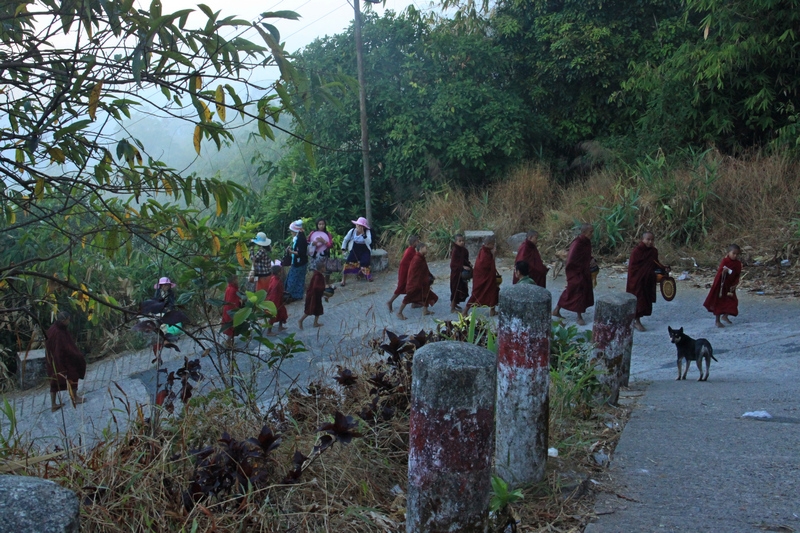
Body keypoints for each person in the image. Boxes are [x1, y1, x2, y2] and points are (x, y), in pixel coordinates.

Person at [553, 223, 595, 325]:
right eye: (590, 232)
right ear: (584, 232)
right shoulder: (577, 243)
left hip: (584, 271)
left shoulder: (586, 242)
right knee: (574, 291)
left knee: (578, 292)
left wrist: (592, 260)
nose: (592, 234)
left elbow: (586, 256)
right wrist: (576, 271)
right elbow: (571, 259)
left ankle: (556, 310)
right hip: (575, 272)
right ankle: (578, 317)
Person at [45, 311, 87, 411]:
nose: (69, 321)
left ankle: (53, 404)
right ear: (64, 320)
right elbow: (65, 348)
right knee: (73, 374)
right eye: (68, 319)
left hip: (52, 359)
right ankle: (75, 397)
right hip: (62, 359)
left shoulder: (52, 329)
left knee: (54, 380)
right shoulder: (59, 332)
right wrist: (77, 355)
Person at [626, 232, 661, 332]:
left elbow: (655, 264)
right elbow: (632, 268)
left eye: (652, 240)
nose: (650, 242)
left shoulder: (654, 251)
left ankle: (635, 320)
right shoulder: (636, 251)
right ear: (642, 240)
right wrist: (643, 274)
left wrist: (663, 269)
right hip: (637, 280)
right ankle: (636, 321)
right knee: (638, 300)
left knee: (645, 300)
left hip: (647, 280)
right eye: (648, 239)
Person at [703, 244, 743, 328]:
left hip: (730, 286)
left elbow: (737, 275)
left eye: (737, 254)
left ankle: (725, 316)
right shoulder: (725, 261)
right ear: (728, 253)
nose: (735, 256)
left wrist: (735, 284)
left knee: (733, 302)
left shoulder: (738, 264)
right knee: (719, 303)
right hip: (721, 286)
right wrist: (723, 271)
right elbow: (720, 272)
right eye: (733, 253)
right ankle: (717, 321)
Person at [397, 242, 438, 319]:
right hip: (415, 283)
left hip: (422, 282)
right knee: (408, 298)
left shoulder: (422, 258)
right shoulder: (417, 259)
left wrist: (430, 276)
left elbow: (425, 269)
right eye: (426, 248)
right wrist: (423, 280)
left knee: (427, 295)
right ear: (421, 248)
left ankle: (425, 310)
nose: (427, 250)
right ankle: (399, 313)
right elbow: (413, 273)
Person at [466, 235, 500, 316]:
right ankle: (465, 311)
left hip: (489, 277)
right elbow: (487, 265)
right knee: (476, 294)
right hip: (482, 278)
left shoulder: (485, 250)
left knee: (494, 291)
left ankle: (492, 310)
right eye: (492, 244)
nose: (494, 246)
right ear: (488, 244)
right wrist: (494, 255)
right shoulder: (485, 253)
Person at [387, 234, 420, 312]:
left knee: (412, 287)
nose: (418, 243)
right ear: (414, 242)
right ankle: (390, 301)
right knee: (401, 287)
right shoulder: (410, 251)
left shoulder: (409, 249)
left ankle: (414, 303)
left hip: (406, 271)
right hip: (405, 272)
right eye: (417, 241)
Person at [341, 216, 373, 285]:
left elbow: (369, 242)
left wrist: (363, 234)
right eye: (358, 225)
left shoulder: (367, 232)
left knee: (365, 262)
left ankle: (368, 276)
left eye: (361, 226)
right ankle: (343, 280)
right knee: (348, 262)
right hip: (355, 249)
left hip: (365, 249)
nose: (358, 227)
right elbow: (345, 240)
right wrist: (343, 249)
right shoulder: (352, 231)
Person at [299, 260, 327, 329]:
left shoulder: (318, 275)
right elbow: (315, 287)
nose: (325, 269)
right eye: (324, 267)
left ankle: (315, 323)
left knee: (318, 309)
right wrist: (323, 288)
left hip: (317, 296)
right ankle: (300, 320)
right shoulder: (317, 276)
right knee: (309, 309)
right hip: (313, 296)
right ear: (322, 268)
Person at [285, 219, 308, 301]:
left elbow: (300, 252)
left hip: (299, 262)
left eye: (292, 231)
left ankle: (290, 295)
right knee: (299, 279)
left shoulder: (300, 239)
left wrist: (291, 252)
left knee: (293, 279)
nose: (291, 233)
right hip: (301, 262)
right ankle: (296, 295)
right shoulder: (298, 237)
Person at [449, 234, 472, 313]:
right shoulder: (455, 250)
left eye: (463, 241)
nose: (462, 242)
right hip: (456, 274)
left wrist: (469, 264)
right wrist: (462, 267)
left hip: (462, 274)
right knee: (455, 290)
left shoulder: (464, 250)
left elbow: (465, 260)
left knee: (462, 289)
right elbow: (453, 264)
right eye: (459, 241)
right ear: (456, 242)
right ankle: (452, 308)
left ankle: (455, 304)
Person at [266, 262, 288, 335]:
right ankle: (269, 331)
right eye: (281, 271)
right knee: (273, 315)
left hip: (279, 299)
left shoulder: (274, 278)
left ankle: (280, 326)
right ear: (278, 272)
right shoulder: (275, 281)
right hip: (275, 300)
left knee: (282, 312)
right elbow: (274, 293)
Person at [221, 274, 242, 345]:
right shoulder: (232, 289)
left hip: (228, 310)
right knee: (231, 327)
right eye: (236, 279)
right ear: (233, 281)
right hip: (231, 311)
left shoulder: (229, 288)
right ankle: (228, 342)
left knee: (231, 327)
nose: (237, 281)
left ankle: (230, 342)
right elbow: (233, 302)